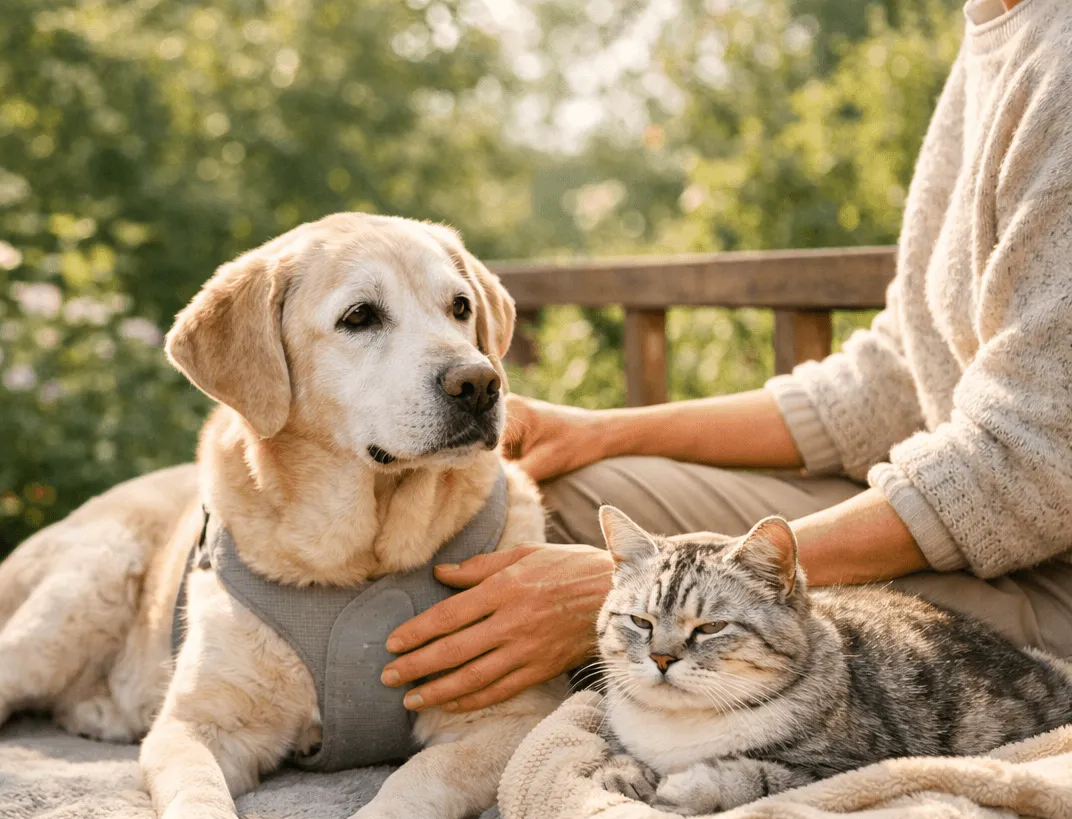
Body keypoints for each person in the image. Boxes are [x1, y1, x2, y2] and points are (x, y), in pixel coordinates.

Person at [380, 0, 1072, 713]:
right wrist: (602, 428)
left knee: (639, 584)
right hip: (983, 519)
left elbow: (1026, 465)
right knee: (570, 481)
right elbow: (897, 375)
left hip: (1050, 580)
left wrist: (629, 594)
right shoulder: (994, 27)